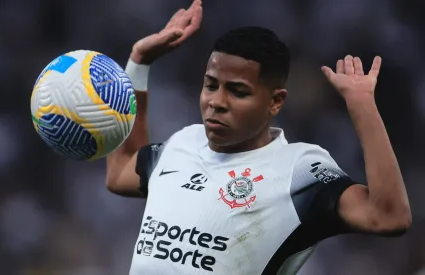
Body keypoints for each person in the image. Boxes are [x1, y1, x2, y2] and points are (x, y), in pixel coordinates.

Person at [105, 0, 412, 274]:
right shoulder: (182, 143)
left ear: (275, 102)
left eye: (238, 91)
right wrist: (139, 65)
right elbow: (120, 173)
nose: (217, 102)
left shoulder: (299, 170)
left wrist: (362, 108)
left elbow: (389, 217)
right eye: (210, 85)